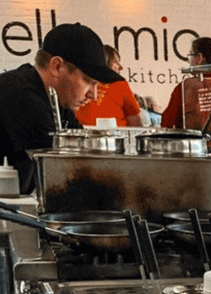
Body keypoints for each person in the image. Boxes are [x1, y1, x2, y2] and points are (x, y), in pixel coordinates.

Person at [0, 22, 121, 194]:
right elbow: (65, 171)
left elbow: (86, 155)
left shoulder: (57, 101)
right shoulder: (21, 93)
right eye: (88, 81)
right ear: (57, 66)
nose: (93, 95)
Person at [161, 37, 211, 131]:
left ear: (200, 58)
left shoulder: (186, 87)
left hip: (198, 145)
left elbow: (167, 123)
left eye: (190, 56)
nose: (188, 61)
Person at [76, 44, 142, 128]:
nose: (121, 67)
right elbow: (137, 125)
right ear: (105, 61)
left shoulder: (79, 81)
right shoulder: (120, 84)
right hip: (114, 137)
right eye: (116, 62)